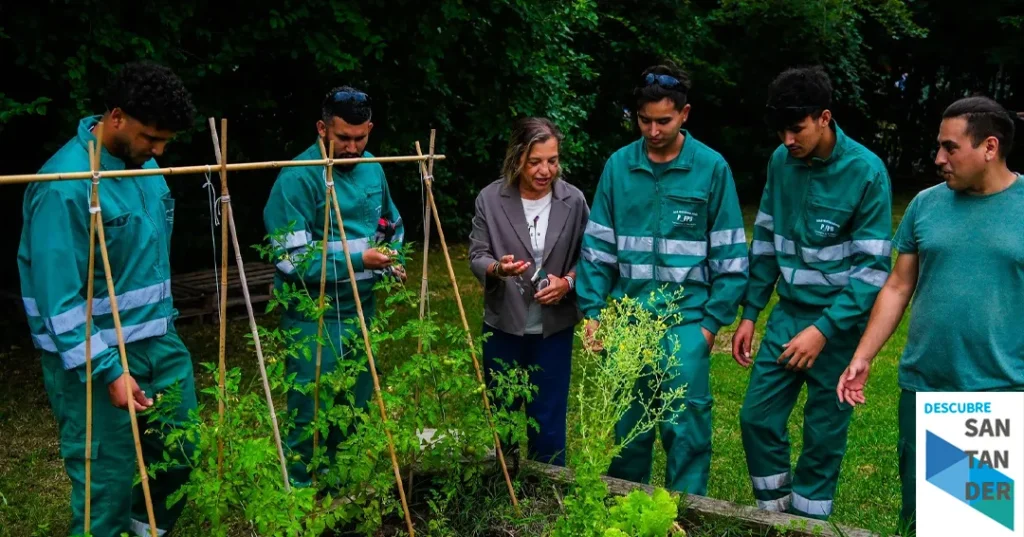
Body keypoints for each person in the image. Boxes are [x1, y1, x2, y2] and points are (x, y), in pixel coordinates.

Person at [17, 61, 197, 537]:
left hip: (162, 344)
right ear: (116, 116)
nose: (158, 151)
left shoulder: (147, 166)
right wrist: (110, 369)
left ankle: (144, 531)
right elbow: (58, 302)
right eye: (150, 137)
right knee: (107, 489)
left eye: (165, 142)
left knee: (181, 457)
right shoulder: (64, 185)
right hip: (94, 362)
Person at [837, 96, 1024, 531]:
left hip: (1000, 390)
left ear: (990, 147)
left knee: (986, 521)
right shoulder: (926, 204)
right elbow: (898, 286)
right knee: (926, 520)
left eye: (950, 147)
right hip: (926, 387)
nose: (939, 158)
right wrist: (864, 354)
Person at [577, 62, 748, 495]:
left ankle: (686, 514)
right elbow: (597, 250)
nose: (652, 130)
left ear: (685, 115)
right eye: (644, 120)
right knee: (626, 429)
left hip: (686, 324)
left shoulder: (712, 169)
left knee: (686, 429)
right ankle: (626, 512)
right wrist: (593, 312)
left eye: (663, 121)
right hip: (626, 324)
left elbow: (730, 254)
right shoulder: (618, 167)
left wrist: (710, 327)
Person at [732, 66, 893, 520]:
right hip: (788, 315)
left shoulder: (866, 172)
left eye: (796, 128)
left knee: (823, 434)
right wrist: (750, 312)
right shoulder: (780, 162)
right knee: (756, 418)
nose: (787, 139)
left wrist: (823, 331)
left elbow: (871, 271)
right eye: (781, 129)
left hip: (839, 327)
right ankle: (776, 515)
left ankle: (810, 524)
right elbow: (763, 242)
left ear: (824, 117)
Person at [263, 86, 405, 487]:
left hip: (362, 305)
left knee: (357, 404)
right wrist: (359, 260)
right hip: (313, 313)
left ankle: (348, 490)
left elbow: (390, 224)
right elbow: (291, 258)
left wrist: (394, 257)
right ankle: (304, 495)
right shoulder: (298, 176)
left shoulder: (374, 167)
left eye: (361, 138)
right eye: (343, 138)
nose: (352, 147)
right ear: (322, 129)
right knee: (311, 406)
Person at [468, 117, 590, 467]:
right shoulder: (490, 199)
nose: (545, 170)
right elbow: (477, 255)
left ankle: (547, 494)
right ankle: (503, 486)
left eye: (552, 160)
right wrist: (497, 269)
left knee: (549, 418)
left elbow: (591, 258)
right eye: (535, 161)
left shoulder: (575, 201)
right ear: (517, 158)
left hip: (553, 328)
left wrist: (567, 282)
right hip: (503, 324)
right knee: (503, 414)